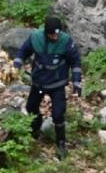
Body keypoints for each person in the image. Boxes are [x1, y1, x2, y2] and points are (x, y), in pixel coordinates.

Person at [14, 16, 83, 159]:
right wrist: (16, 65)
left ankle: (61, 143)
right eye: (52, 34)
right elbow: (23, 52)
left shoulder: (66, 42)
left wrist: (77, 82)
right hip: (39, 83)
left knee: (58, 114)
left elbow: (75, 62)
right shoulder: (36, 38)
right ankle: (35, 127)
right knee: (31, 108)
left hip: (57, 84)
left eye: (57, 33)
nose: (55, 36)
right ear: (47, 33)